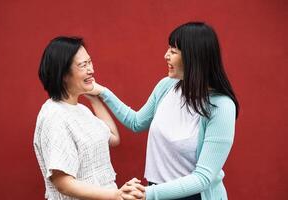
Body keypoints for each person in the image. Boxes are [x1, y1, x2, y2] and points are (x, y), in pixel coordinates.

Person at [88, 22, 239, 200]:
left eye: (173, 51)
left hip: (194, 196)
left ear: (193, 57)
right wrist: (101, 93)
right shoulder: (167, 86)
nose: (166, 56)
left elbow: (203, 178)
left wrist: (149, 194)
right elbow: (136, 122)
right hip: (156, 192)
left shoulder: (221, 106)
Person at [33, 36, 144, 200]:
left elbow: (113, 138)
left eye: (90, 62)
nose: (91, 70)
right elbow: (63, 183)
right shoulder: (54, 115)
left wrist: (94, 96)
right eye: (83, 65)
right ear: (63, 73)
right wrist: (115, 195)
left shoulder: (80, 109)